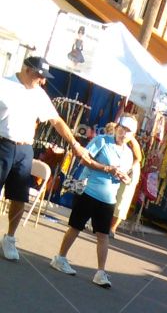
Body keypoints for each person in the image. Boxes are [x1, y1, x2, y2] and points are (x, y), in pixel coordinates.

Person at [0, 55, 108, 263]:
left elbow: (57, 121)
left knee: (20, 197)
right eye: (40, 76)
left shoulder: (39, 95)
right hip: (2, 144)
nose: (43, 81)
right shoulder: (5, 84)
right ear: (27, 70)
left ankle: (10, 238)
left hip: (24, 149)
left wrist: (75, 145)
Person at [49, 114, 136, 287]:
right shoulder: (102, 140)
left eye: (128, 131)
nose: (124, 133)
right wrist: (107, 169)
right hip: (88, 192)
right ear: (117, 126)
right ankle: (60, 258)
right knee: (75, 227)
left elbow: (126, 175)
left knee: (103, 235)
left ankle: (100, 272)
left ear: (133, 135)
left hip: (108, 198)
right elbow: (84, 159)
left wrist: (126, 178)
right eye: (122, 128)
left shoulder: (128, 154)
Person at [111, 120, 143, 234]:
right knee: (115, 198)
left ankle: (112, 229)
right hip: (123, 169)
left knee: (122, 200)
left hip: (130, 171)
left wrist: (128, 171)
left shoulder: (131, 140)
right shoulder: (116, 139)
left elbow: (138, 158)